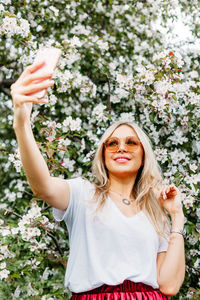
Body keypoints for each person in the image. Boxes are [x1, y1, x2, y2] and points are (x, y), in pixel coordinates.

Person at [11, 61, 185, 300]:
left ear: (143, 156)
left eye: (131, 143)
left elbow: (169, 286)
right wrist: (21, 123)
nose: (121, 148)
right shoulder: (83, 193)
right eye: (112, 143)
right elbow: (42, 186)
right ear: (103, 156)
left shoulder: (155, 213)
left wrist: (176, 216)